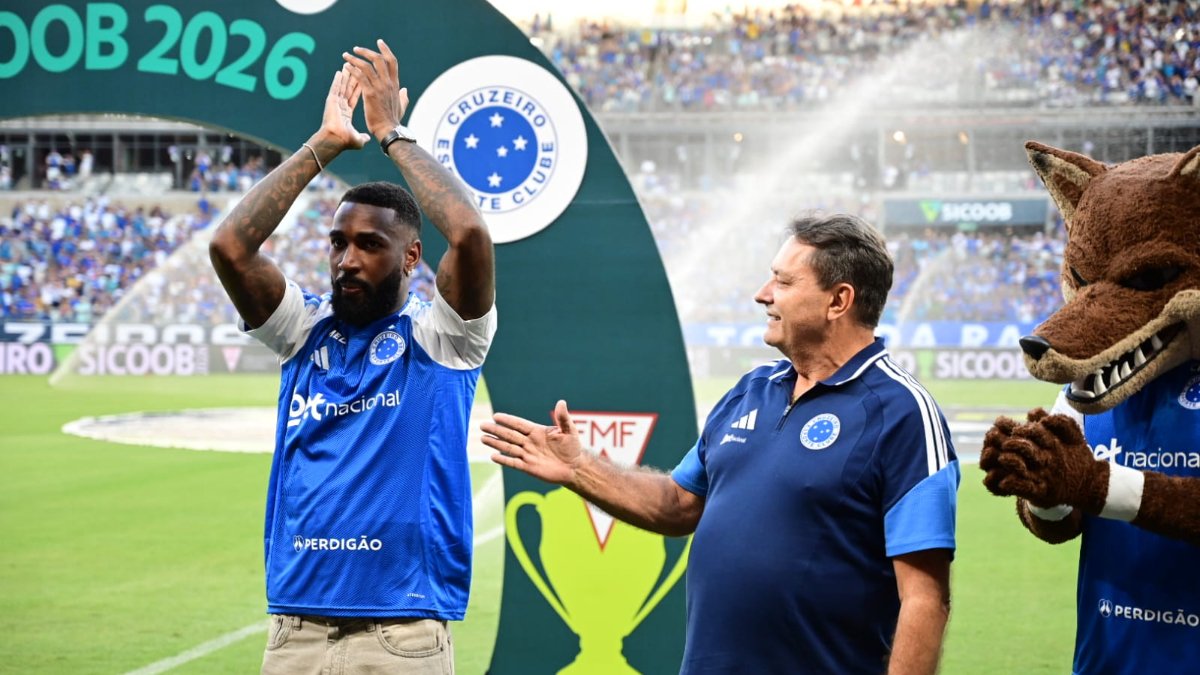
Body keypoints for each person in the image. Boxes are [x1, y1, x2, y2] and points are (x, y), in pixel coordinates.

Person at [484, 214, 958, 674]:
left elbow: (925, 597)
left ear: (839, 301)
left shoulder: (902, 413)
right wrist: (579, 468)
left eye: (784, 282)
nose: (762, 294)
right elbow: (677, 503)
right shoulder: (751, 390)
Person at [209, 39, 496, 674]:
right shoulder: (301, 329)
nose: (347, 259)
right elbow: (230, 246)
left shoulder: (444, 339)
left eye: (370, 244)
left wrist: (393, 135)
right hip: (295, 631)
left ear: (411, 257)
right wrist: (323, 147)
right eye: (338, 243)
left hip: (400, 633)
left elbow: (471, 235)